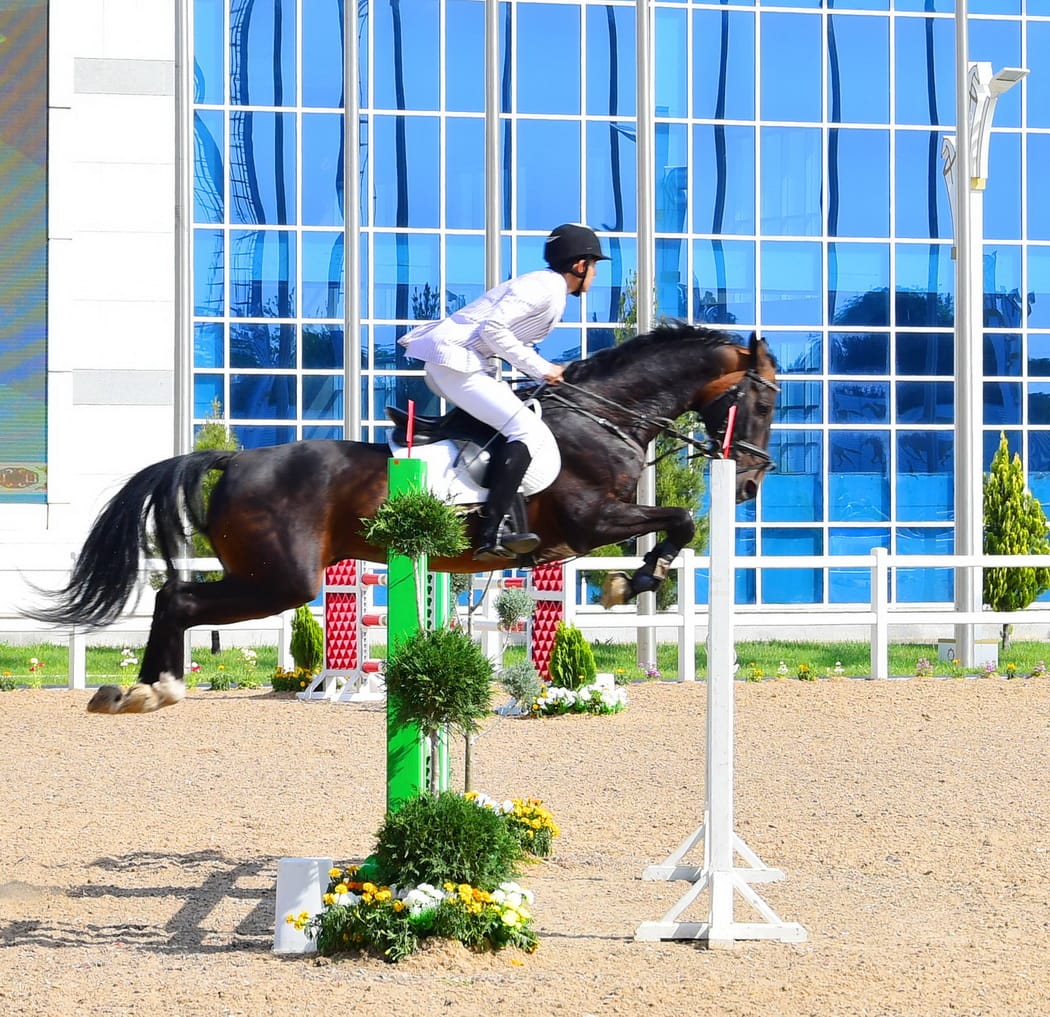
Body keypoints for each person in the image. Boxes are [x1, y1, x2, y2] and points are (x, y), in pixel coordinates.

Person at [399, 222, 609, 562]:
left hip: (463, 363)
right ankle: (493, 529)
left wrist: (532, 374)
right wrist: (543, 369)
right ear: (580, 265)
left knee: (513, 424)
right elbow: (494, 328)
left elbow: (500, 339)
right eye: (594, 266)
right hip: (456, 361)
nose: (596, 275)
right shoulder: (547, 287)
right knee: (525, 429)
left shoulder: (548, 288)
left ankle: (498, 514)